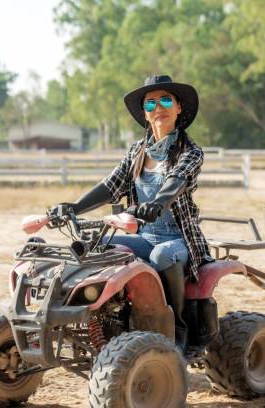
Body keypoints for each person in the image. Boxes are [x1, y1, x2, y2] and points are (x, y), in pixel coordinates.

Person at [57, 74, 214, 350]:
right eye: (151, 103)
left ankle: (177, 331)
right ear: (145, 113)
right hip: (143, 235)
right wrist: (74, 206)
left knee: (161, 254)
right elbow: (110, 185)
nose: (159, 107)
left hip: (179, 240)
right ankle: (108, 321)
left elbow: (176, 181)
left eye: (166, 100)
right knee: (101, 246)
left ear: (178, 107)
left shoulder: (190, 152)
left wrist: (158, 202)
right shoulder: (136, 152)